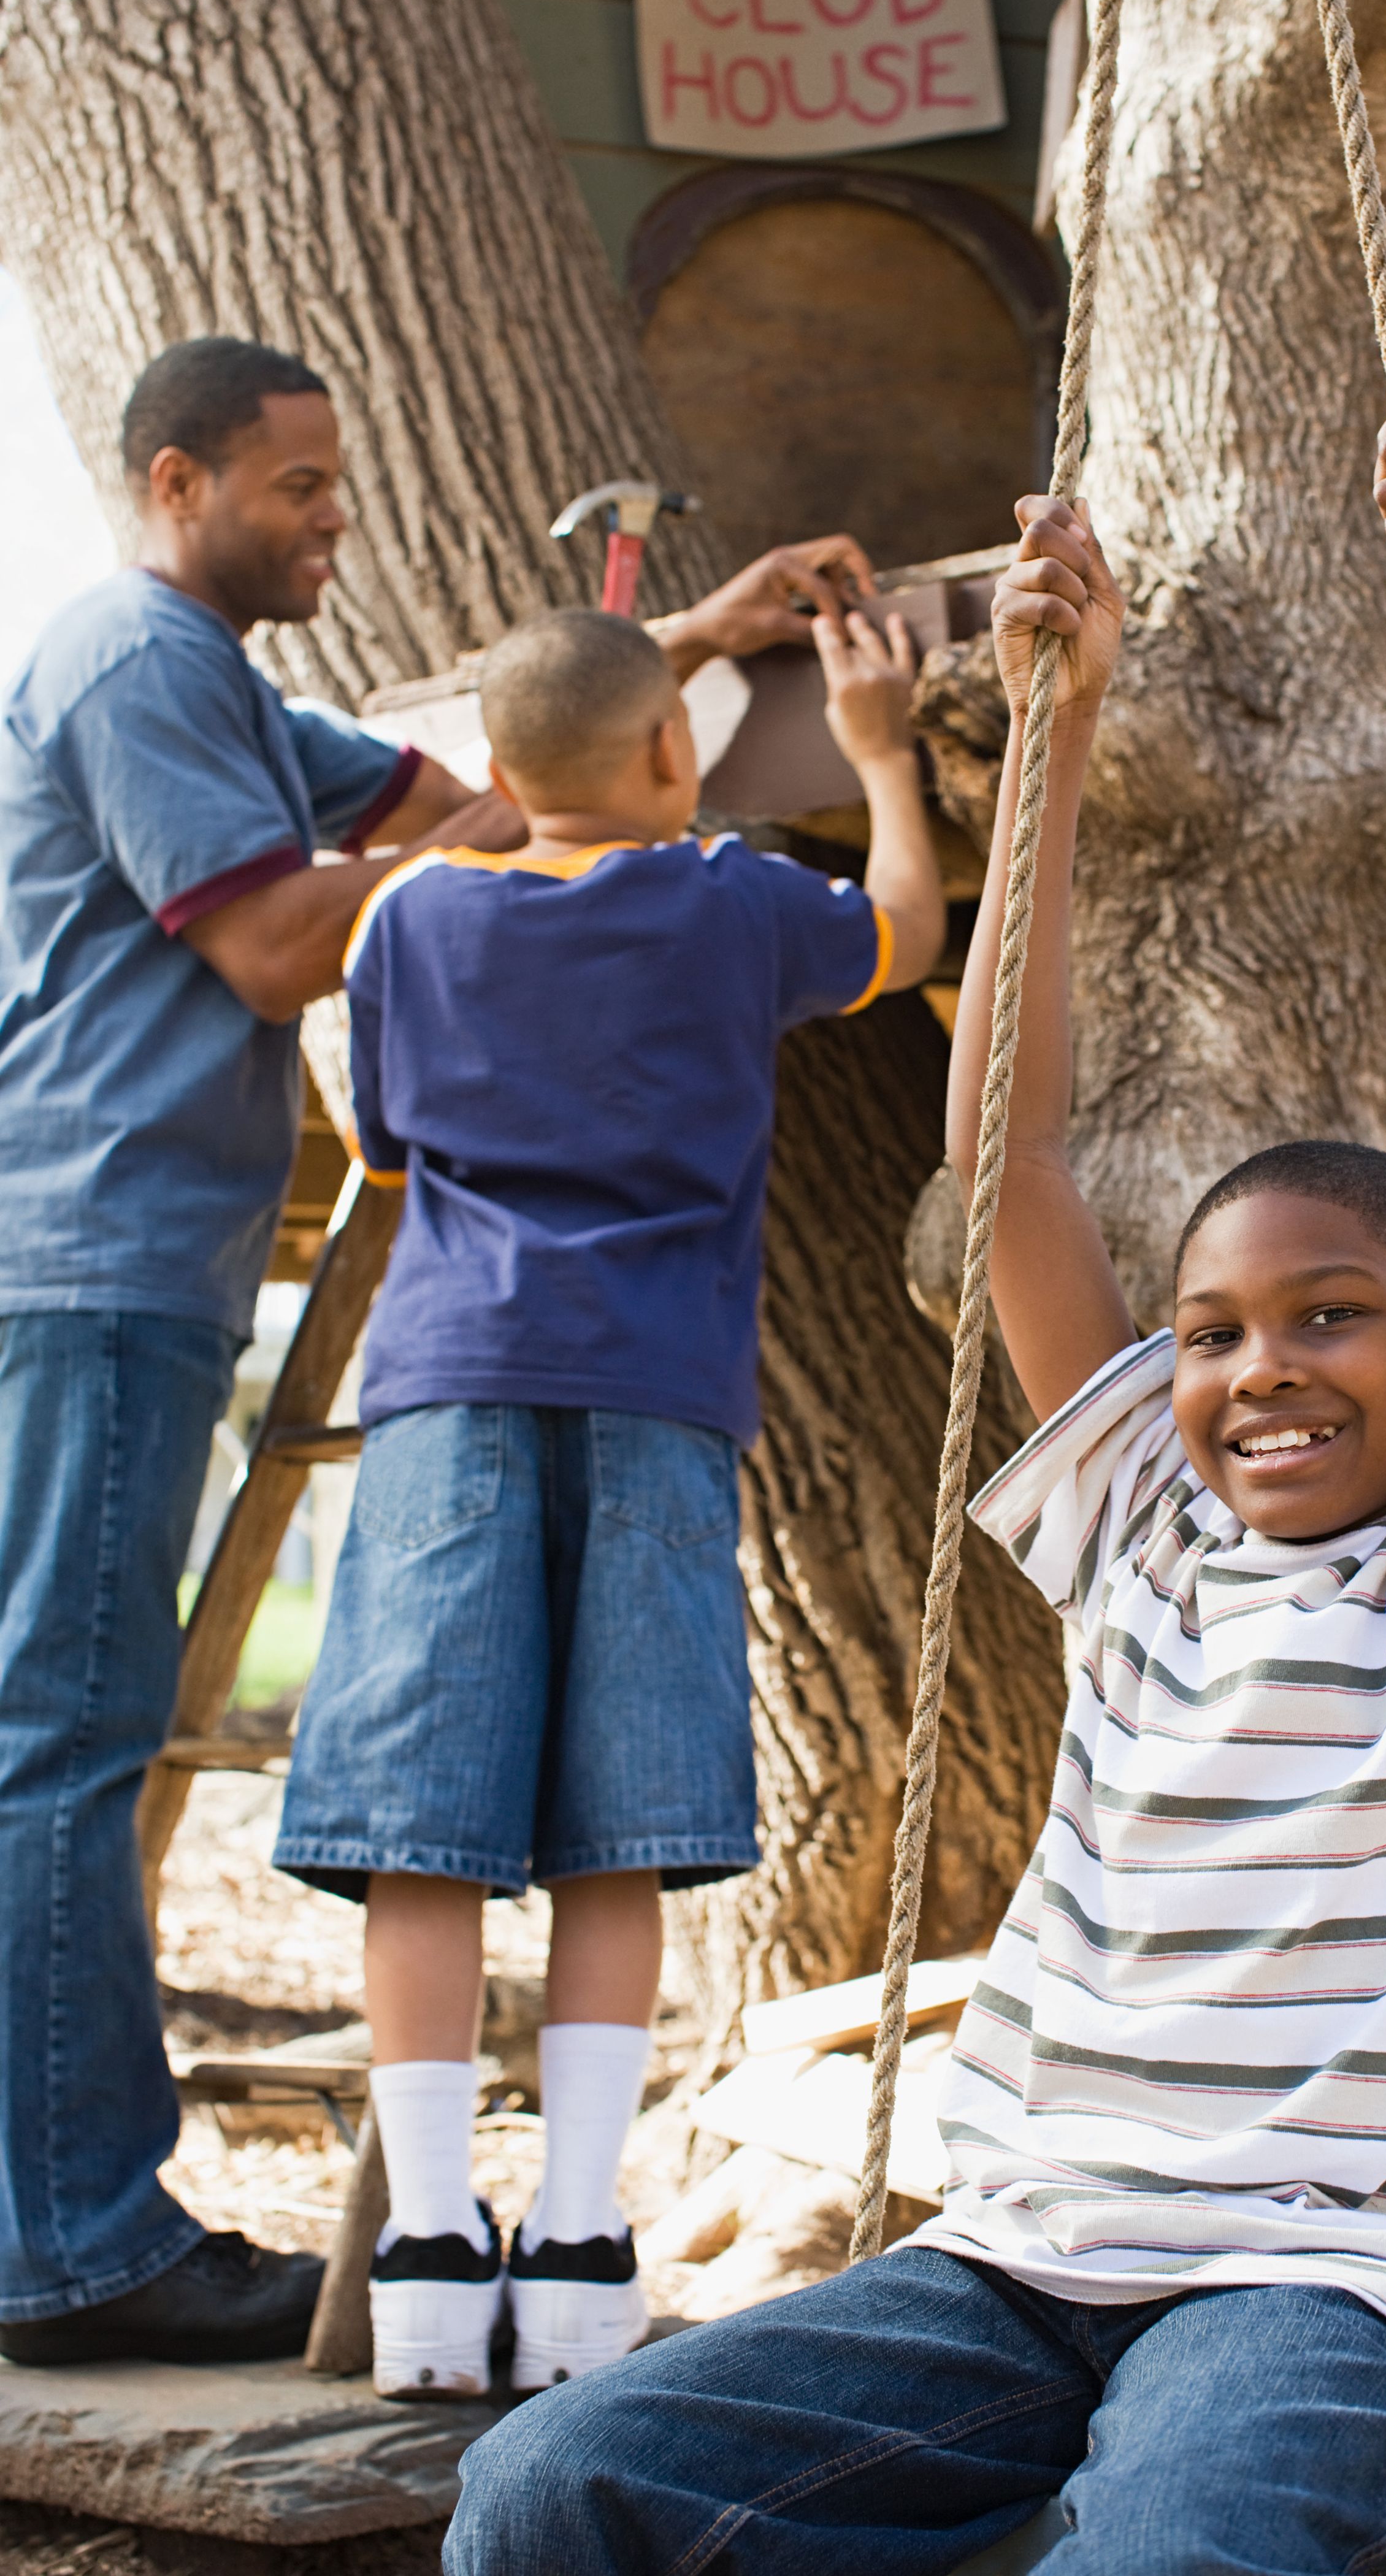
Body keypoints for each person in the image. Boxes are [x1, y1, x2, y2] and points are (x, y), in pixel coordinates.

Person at [443, 402, 1386, 2575]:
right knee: (549, 2491)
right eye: (1208, 1332)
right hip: (1022, 2270)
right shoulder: (1148, 1540)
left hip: (1340, 2284)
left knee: (1175, 2537)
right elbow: (1001, 1149)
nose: (1260, 1371)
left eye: (1331, 1317)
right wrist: (1055, 740)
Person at [0, 327, 908, 2369]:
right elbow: (285, 932)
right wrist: (645, 848)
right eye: (299, 488)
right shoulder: (137, 664)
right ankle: (66, 2244)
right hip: (88, 1237)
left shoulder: (223, 689)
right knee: (57, 1732)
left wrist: (670, 644)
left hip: (185, 1248)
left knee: (98, 1731)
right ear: (174, 485)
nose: (337, 521)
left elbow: (502, 790)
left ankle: (107, 2225)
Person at [270, 599, 946, 2400]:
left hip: (447, 1393)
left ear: (496, 777)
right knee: (614, 1830)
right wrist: (879, 753)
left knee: (424, 1824)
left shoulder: (409, 914)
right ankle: (576, 2240)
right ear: (677, 755)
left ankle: (429, 2241)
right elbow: (906, 933)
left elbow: (386, 1151)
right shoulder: (736, 903)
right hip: (658, 1396)